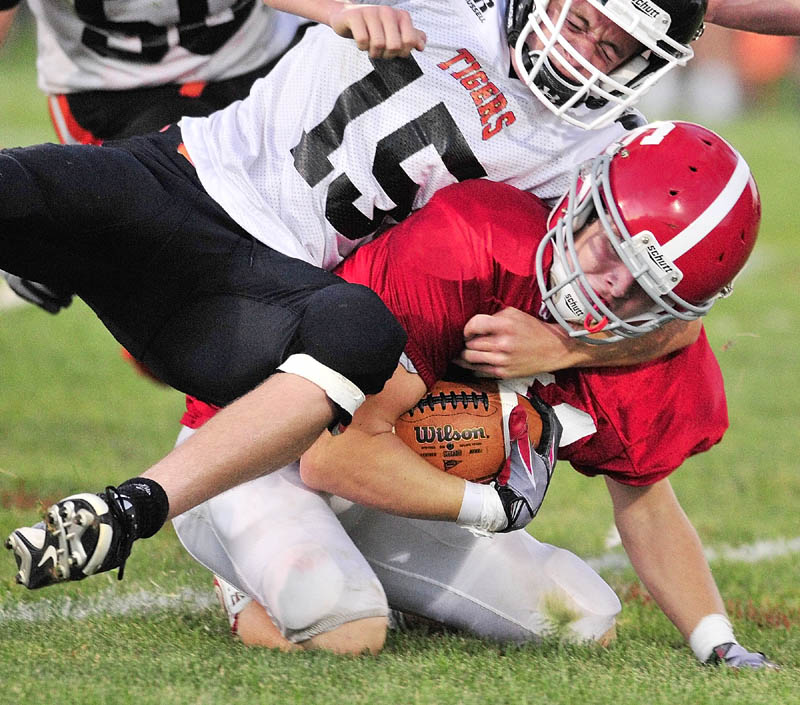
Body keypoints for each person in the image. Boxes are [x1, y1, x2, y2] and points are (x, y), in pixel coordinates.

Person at [3, 0, 716, 590]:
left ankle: (125, 512)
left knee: (362, 333)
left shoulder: (597, 151)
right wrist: (338, 8)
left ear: (646, 65)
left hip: (269, 292)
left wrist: (567, 344)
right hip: (184, 178)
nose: (580, 51)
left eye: (615, 48)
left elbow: (677, 319)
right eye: (580, 19)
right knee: (20, 188)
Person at [171, 120, 775, 668]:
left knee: (581, 618)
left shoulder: (648, 356)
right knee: (348, 630)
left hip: (391, 486)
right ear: (584, 202)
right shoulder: (472, 242)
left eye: (640, 291)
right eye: (608, 249)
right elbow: (331, 455)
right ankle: (246, 584)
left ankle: (371, 576)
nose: (605, 289)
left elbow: (646, 504)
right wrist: (491, 508)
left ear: (671, 313)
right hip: (260, 453)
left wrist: (717, 641)